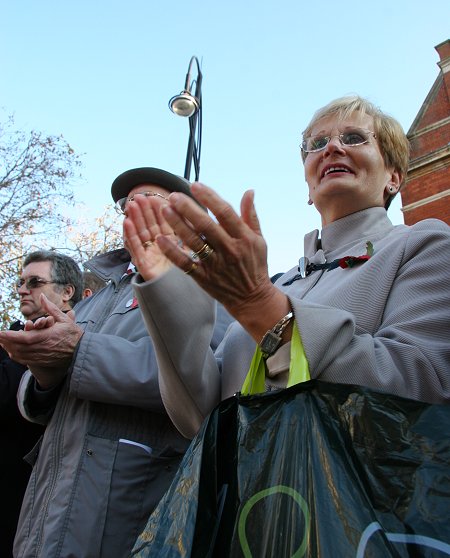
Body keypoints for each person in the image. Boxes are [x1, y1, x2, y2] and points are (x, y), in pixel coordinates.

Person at [122, 95, 450, 440]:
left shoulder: (424, 244)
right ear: (309, 188)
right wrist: (164, 288)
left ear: (394, 178)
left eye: (353, 138)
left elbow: (422, 389)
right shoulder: (280, 283)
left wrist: (262, 308)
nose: (332, 148)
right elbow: (198, 417)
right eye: (317, 144)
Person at [0, 167, 233, 558]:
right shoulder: (96, 297)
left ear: (183, 215)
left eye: (148, 200)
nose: (132, 208)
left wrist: (78, 352)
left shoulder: (209, 284)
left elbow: (204, 380)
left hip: (130, 505)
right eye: (127, 204)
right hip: (46, 510)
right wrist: (43, 373)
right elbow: (48, 393)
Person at [0, 250, 82, 558]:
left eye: (34, 281)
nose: (22, 289)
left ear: (66, 292)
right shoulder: (10, 337)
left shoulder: (86, 339)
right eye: (20, 282)